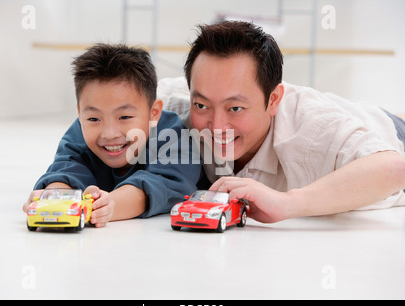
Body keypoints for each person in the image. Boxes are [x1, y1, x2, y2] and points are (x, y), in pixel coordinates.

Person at [159, 21, 405, 223]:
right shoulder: (174, 104)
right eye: (202, 105)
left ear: (273, 100)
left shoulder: (313, 131)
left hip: (389, 131)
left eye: (235, 108)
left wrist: (287, 203)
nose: (216, 126)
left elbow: (396, 167)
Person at [23, 44, 202, 227]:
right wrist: (54, 198)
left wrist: (109, 205)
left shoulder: (172, 135)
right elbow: (66, 169)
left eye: (124, 117)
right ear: (80, 114)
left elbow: (166, 183)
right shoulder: (79, 132)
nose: (109, 134)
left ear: (153, 113)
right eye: (94, 118)